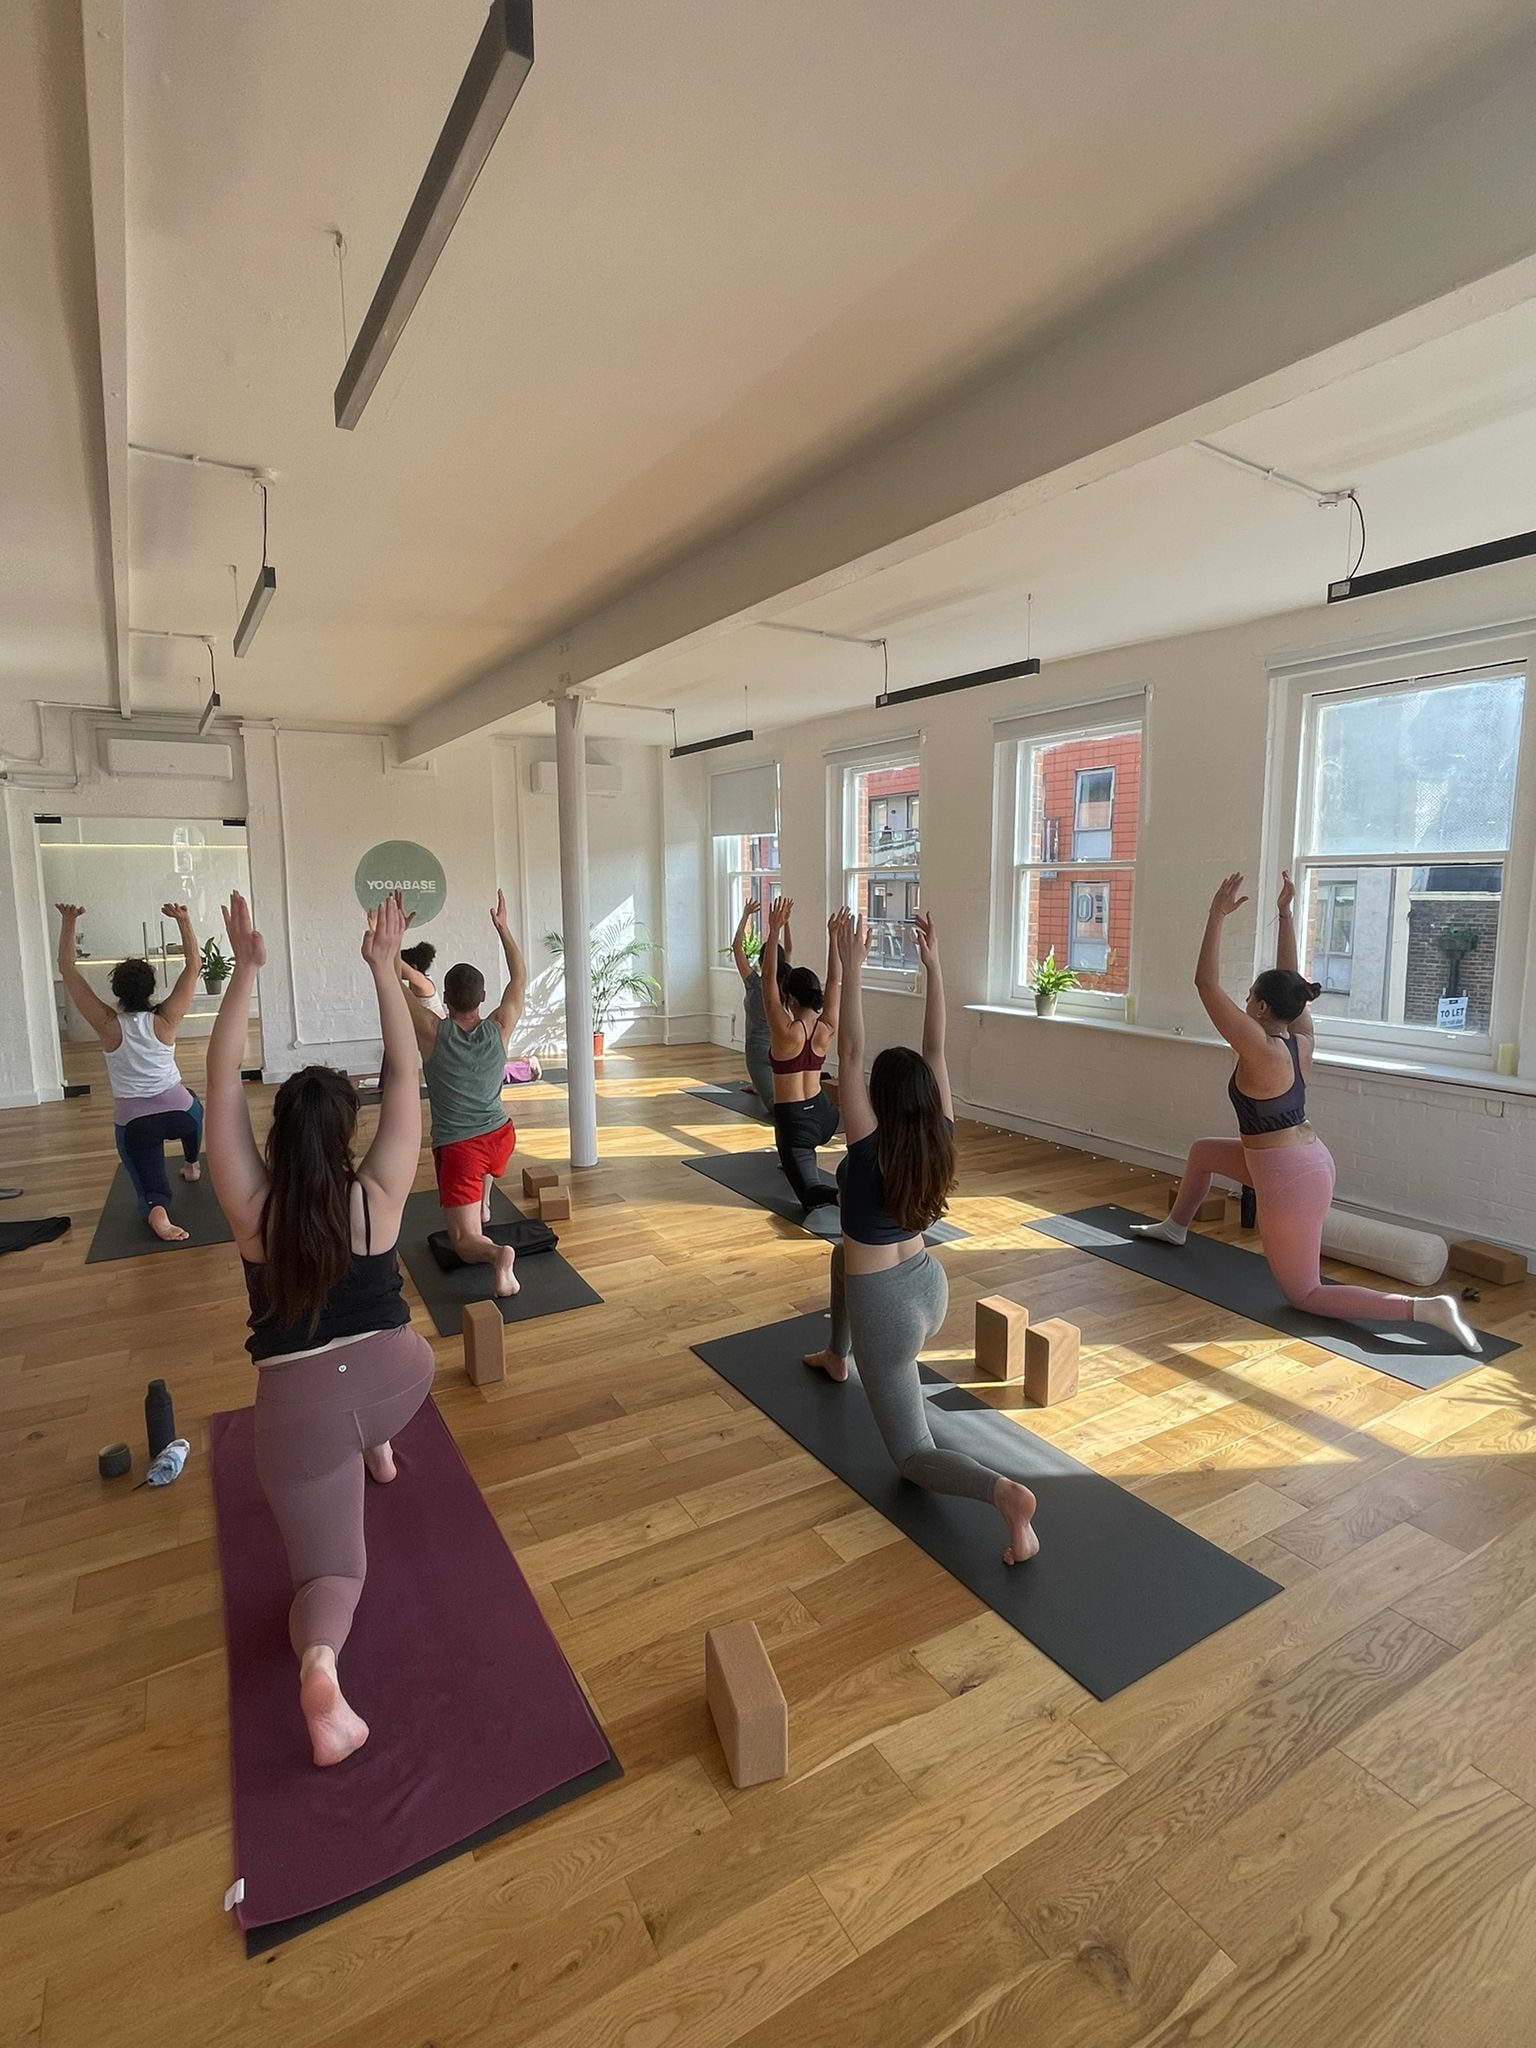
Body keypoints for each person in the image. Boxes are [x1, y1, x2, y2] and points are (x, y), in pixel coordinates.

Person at [206, 889, 435, 1768]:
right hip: (395, 1383)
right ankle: (375, 1448)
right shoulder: (373, 1199)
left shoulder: (252, 1210)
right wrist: (383, 969)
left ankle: (322, 1671)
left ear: (278, 1136)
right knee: (388, 1399)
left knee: (334, 1577)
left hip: (297, 1417)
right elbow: (407, 1076)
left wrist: (247, 975)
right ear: (345, 1135)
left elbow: (219, 1080)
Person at [1131, 871, 1480, 1352]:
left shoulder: (1259, 1048)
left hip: (1288, 1176)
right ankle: (1175, 1227)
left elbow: (1204, 984)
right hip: (1302, 1159)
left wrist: (1215, 914)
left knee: (1305, 1293)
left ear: (1256, 1005)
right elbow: (1289, 983)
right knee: (1204, 1152)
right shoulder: (1301, 1040)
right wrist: (1285, 916)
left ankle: (1422, 1309)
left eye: (1250, 994)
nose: (1245, 999)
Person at [802, 910, 1039, 1564]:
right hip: (928, 1287)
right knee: (838, 1252)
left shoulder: (869, 1142)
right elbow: (936, 1049)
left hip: (886, 1311)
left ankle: (1007, 1497)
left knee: (912, 1455)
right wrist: (933, 966)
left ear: (879, 1097)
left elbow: (849, 1050)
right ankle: (833, 1352)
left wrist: (847, 963)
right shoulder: (941, 1128)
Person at [55, 899, 206, 1243]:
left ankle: (158, 1212)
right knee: (195, 1106)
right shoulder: (165, 1019)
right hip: (179, 1114)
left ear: (117, 993)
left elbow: (67, 968)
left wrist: (68, 921)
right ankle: (192, 1163)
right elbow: (194, 965)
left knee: (149, 1184)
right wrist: (183, 920)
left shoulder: (108, 1024)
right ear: (152, 989)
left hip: (137, 1124)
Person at [407, 890, 527, 1295]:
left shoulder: (432, 1031)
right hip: (502, 1137)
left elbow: (393, 989)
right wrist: (503, 929)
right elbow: (520, 978)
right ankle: (485, 1203)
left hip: (462, 1149)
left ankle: (497, 1257)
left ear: (445, 997)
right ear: (482, 998)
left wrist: (391, 944)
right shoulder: (499, 1027)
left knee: (463, 1242)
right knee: (485, 1167)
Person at [761, 897, 842, 1208]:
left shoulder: (786, 1033)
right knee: (804, 1177)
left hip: (795, 1125)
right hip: (826, 1117)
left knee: (810, 1194)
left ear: (790, 998)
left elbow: (768, 979)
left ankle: (849, 1197)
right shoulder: (826, 1028)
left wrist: (774, 930)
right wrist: (833, 938)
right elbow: (835, 980)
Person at [729, 897, 792, 1114]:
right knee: (782, 1098)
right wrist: (785, 924)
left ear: (760, 961)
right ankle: (758, 1084)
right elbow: (789, 950)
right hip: (782, 1048)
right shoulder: (784, 982)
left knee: (777, 1107)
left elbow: (736, 947)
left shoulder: (755, 984)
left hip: (761, 1051)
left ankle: (760, 1083)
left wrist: (746, 914)